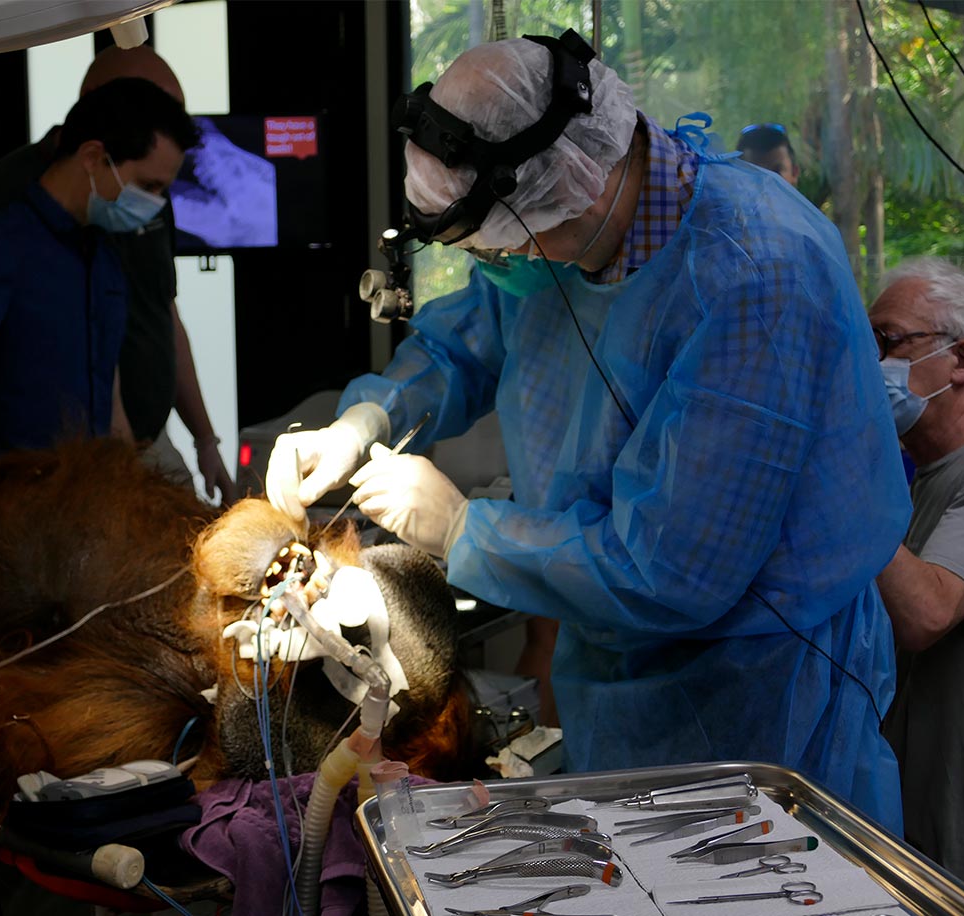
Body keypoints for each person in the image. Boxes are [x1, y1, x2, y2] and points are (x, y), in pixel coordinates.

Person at [266, 36, 910, 829]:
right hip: (615, 681)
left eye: (499, 246)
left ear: (569, 192)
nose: (499, 265)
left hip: (763, 701)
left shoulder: (755, 276)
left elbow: (669, 569)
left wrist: (464, 529)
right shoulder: (559, 244)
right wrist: (368, 417)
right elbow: (463, 341)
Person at [0, 46, 236, 504]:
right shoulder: (7, 226)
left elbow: (119, 385)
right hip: (19, 491)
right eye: (149, 187)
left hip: (103, 475)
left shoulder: (104, 237)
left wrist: (192, 447)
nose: (154, 201)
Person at [871, 257, 964, 890]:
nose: (872, 365)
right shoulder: (928, 479)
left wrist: (841, 471)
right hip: (918, 811)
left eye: (888, 342)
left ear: (963, 360)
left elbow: (926, 613)